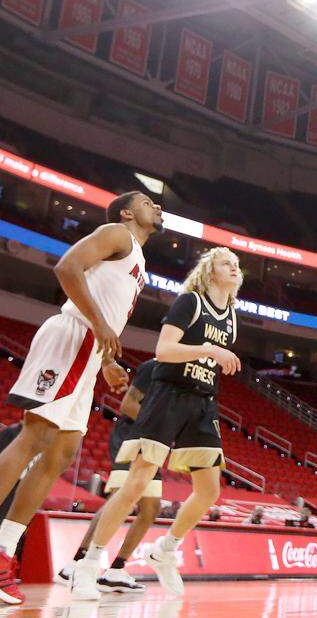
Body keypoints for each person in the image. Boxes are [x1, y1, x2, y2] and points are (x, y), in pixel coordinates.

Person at [0, 191, 161, 605]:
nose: (156, 207)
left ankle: (4, 550)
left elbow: (104, 303)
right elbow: (67, 267)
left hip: (89, 353)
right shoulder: (116, 233)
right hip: (72, 337)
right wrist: (100, 327)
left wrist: (106, 357)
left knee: (62, 452)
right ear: (127, 212)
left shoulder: (138, 259)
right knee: (34, 437)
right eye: (147, 201)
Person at [71, 247, 243, 601]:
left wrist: (211, 354)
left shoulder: (231, 316)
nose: (235, 268)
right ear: (211, 271)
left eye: (237, 265)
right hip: (168, 396)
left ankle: (164, 549)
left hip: (202, 401)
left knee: (210, 489)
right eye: (227, 263)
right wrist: (210, 350)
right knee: (135, 484)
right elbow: (164, 350)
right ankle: (88, 566)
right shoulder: (190, 303)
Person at [57, 360, 162, 592]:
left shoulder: (187, 378)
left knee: (151, 509)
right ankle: (76, 564)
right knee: (120, 500)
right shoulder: (154, 366)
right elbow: (128, 404)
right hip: (132, 435)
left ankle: (116, 569)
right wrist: (159, 426)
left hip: (154, 442)